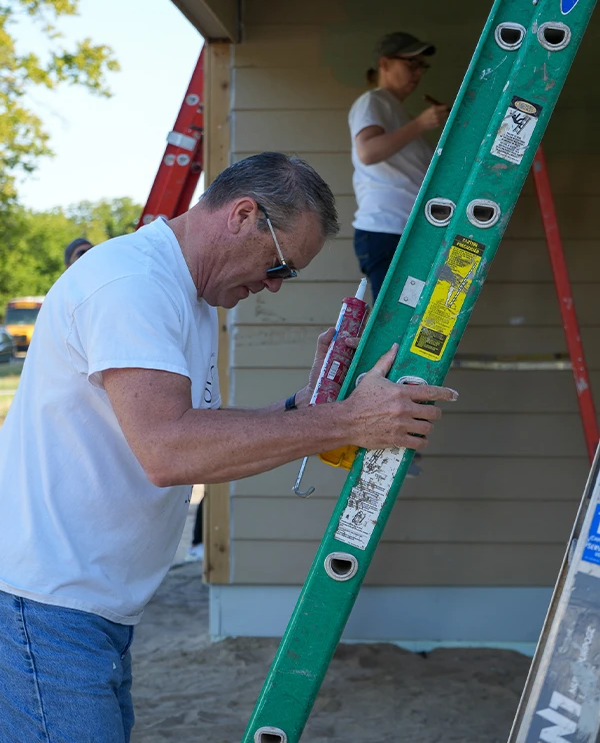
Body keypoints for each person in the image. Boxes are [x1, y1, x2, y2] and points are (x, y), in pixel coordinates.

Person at [0, 152, 458, 742]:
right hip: (47, 606)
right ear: (244, 215)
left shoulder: (180, 291)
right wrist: (346, 423)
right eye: (279, 266)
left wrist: (312, 408)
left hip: (83, 607)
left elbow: (200, 437)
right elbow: (171, 451)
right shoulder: (132, 286)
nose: (272, 284)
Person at [350, 31, 450, 301]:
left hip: (403, 231)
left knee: (405, 317)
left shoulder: (394, 110)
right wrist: (420, 124)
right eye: (410, 64)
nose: (417, 73)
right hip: (387, 230)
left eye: (421, 66)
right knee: (393, 320)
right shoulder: (373, 101)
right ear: (384, 64)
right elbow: (368, 152)